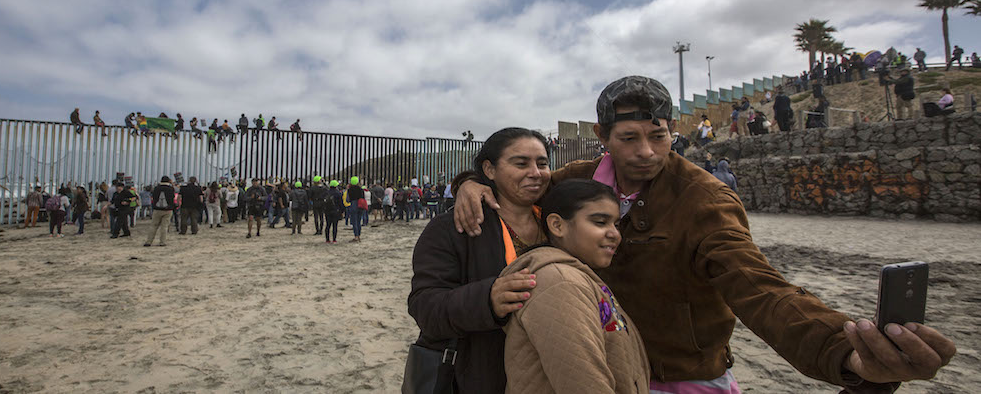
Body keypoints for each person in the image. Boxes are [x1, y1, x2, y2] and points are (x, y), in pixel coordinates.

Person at [451, 76, 957, 392]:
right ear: (603, 138)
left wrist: (842, 351)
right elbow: (520, 183)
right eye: (629, 138)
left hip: (682, 376)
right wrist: (471, 182)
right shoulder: (573, 182)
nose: (647, 151)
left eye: (659, 136)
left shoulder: (705, 199)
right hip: (600, 369)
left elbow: (759, 287)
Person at [409, 127, 551, 392]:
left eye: (542, 163)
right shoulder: (452, 228)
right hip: (482, 375)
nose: (535, 172)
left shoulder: (559, 223)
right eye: (521, 163)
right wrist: (487, 299)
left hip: (549, 374)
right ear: (490, 169)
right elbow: (424, 307)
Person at [501, 179, 650, 393]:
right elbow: (584, 384)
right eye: (600, 222)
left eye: (616, 224)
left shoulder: (577, 276)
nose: (614, 234)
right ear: (557, 225)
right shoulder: (559, 282)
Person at [144, 176, 177, 247]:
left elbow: (153, 197)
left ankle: (149, 241)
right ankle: (162, 242)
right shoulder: (170, 189)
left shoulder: (156, 188)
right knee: (164, 227)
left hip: (157, 209)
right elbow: (173, 198)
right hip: (168, 209)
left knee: (153, 226)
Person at [347, 177, 366, 242]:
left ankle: (356, 236)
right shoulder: (361, 189)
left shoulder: (350, 190)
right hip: (360, 204)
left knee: (354, 221)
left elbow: (348, 200)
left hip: (353, 204)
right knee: (358, 221)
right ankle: (359, 235)